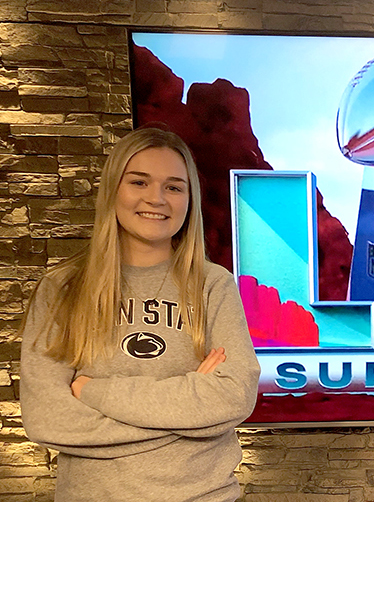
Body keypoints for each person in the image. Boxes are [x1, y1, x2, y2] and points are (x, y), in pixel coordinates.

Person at [19, 127, 261, 501]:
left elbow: (233, 396)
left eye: (174, 187)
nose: (157, 198)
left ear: (189, 200)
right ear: (114, 189)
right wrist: (189, 410)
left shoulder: (214, 284)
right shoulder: (62, 288)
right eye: (139, 182)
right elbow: (48, 418)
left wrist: (93, 391)